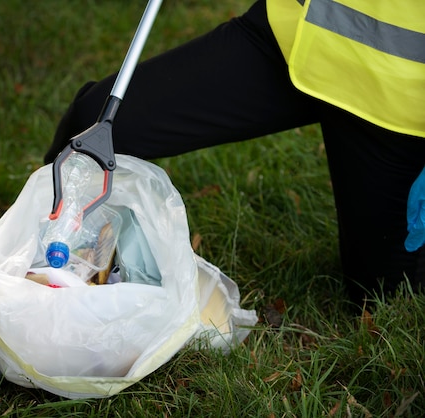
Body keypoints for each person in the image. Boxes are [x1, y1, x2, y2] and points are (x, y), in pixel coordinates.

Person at [43, 0, 425, 301]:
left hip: (390, 97)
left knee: (379, 293)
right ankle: (41, 254)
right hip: (293, 36)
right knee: (93, 124)